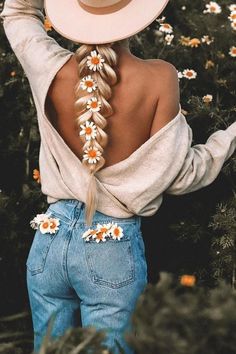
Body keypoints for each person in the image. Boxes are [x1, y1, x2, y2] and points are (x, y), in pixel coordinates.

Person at [1, 0, 236, 353]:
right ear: (137, 14)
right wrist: (229, 137)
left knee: (49, 348)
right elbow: (182, 175)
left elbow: (17, 11)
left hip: (48, 240)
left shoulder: (48, 66)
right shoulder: (160, 77)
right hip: (110, 249)